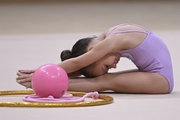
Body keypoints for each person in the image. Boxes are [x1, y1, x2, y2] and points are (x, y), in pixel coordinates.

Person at [16, 23, 174, 94]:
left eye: (106, 66)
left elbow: (78, 62)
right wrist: (53, 75)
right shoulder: (111, 34)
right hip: (155, 75)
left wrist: (41, 73)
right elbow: (80, 66)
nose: (114, 67)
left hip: (160, 80)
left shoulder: (113, 41)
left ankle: (47, 84)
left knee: (103, 81)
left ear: (92, 52)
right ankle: (48, 82)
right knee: (102, 78)